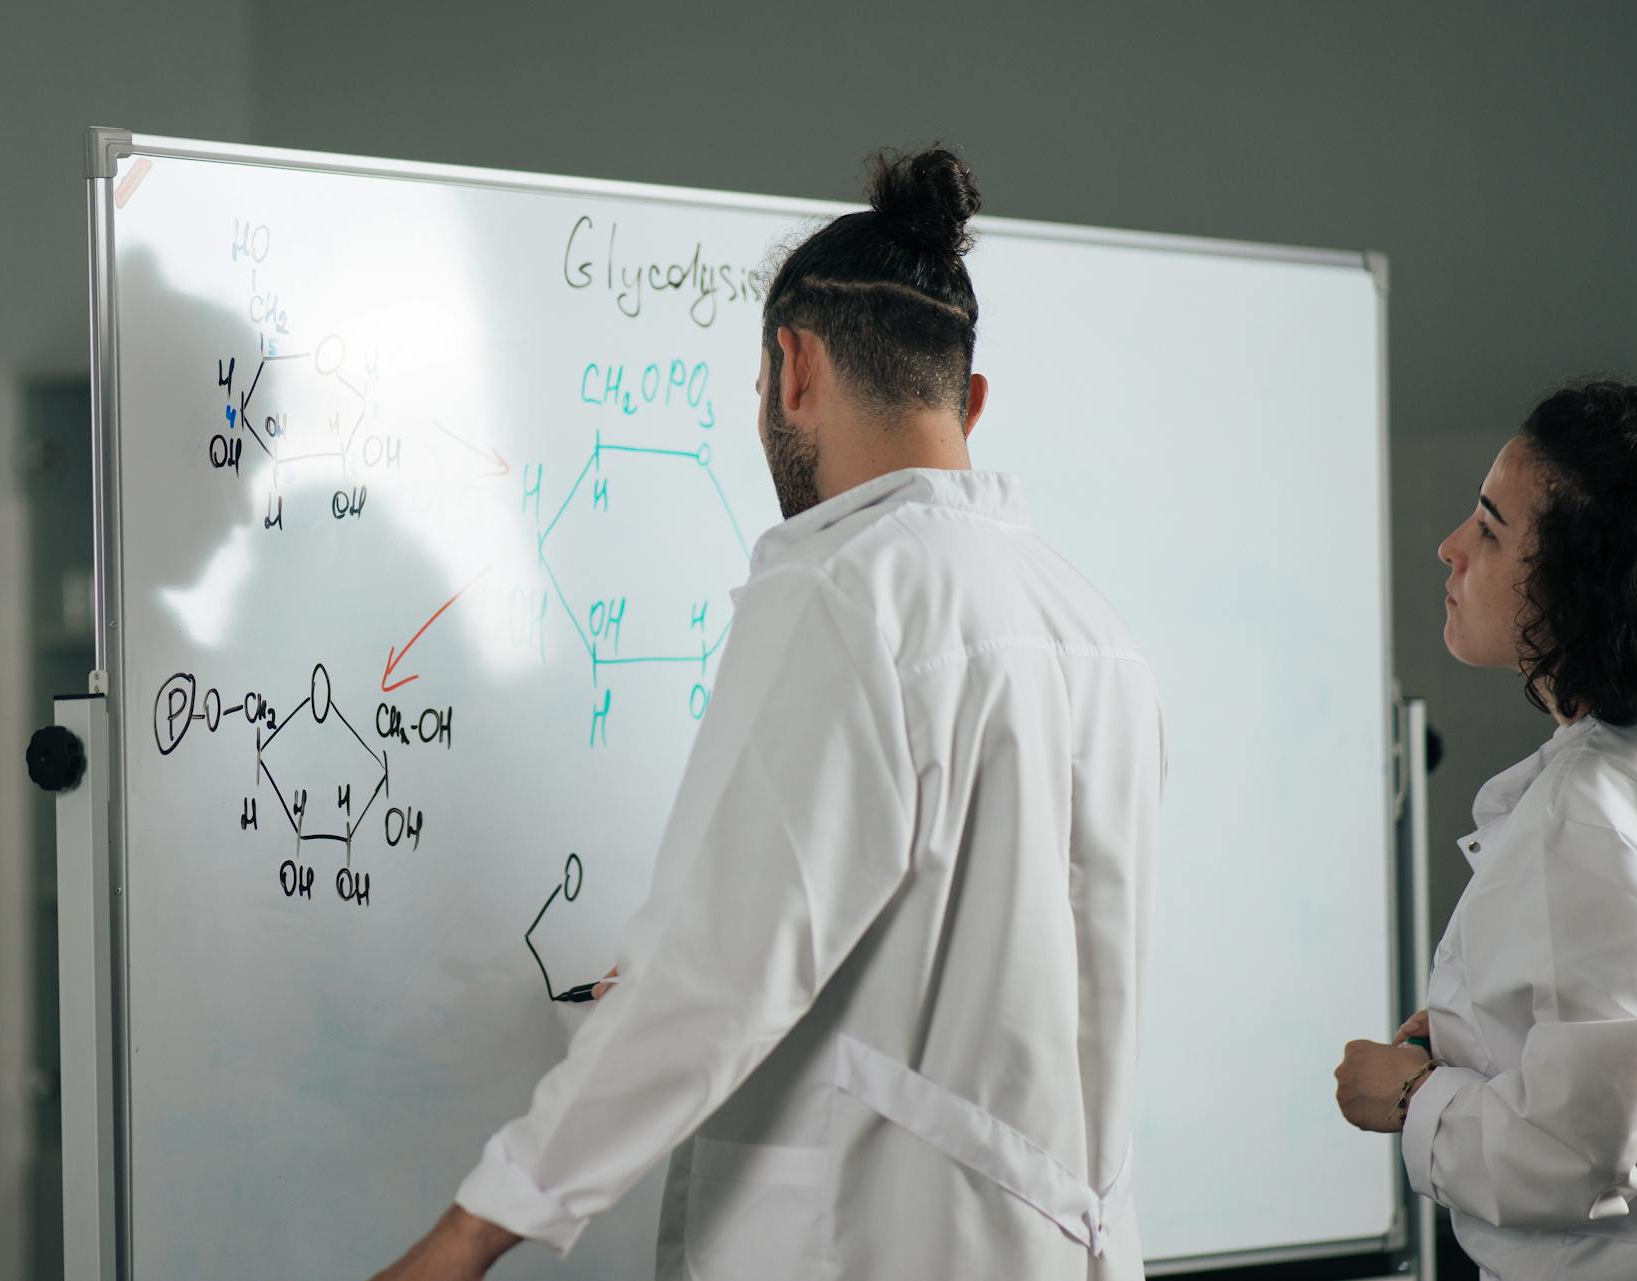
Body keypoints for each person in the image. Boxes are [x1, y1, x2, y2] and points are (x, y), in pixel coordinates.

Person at [371, 148, 1165, 1281]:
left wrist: (465, 1237)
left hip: (875, 1247)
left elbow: (715, 976)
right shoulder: (1098, 633)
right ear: (970, 401)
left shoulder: (845, 592)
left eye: (756, 387)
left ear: (791, 366)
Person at [1335, 382, 1637, 1279]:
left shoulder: (1598, 807)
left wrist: (1412, 1096)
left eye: (1490, 528)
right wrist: (1482, 1037)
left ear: (1582, 583)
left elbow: (1572, 1157)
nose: (1450, 548)